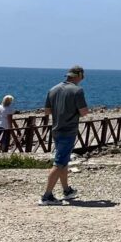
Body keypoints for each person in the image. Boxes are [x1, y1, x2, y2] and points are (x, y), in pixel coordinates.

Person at [40, 66, 89, 205]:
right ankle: (46, 196)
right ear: (79, 75)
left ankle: (67, 190)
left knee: (64, 160)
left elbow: (47, 111)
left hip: (56, 129)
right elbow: (84, 112)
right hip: (68, 130)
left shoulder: (53, 89)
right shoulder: (77, 90)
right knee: (59, 162)